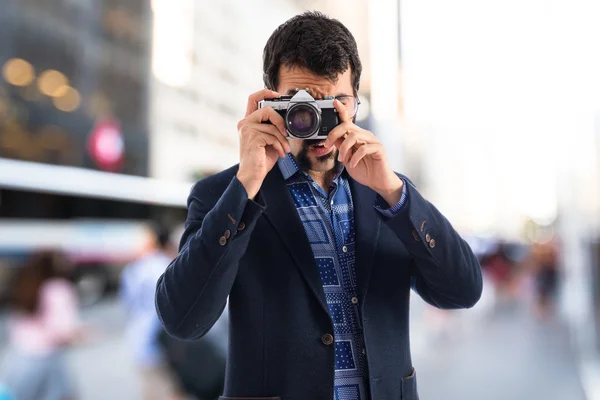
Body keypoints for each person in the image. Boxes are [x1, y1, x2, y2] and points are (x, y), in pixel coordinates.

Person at [156, 12, 482, 400]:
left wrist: (395, 193)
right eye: (302, 104)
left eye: (336, 103)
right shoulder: (224, 195)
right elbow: (183, 320)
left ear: (357, 103)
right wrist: (245, 186)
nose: (320, 124)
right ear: (269, 101)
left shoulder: (389, 192)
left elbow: (463, 290)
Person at [0, 250, 83, 400]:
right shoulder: (58, 288)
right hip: (47, 360)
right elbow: (63, 332)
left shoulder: (24, 283)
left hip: (19, 359)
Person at [120, 224, 183, 400]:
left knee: (152, 390)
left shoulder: (133, 269)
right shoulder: (166, 265)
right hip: (163, 342)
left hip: (140, 339)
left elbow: (128, 303)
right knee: (169, 391)